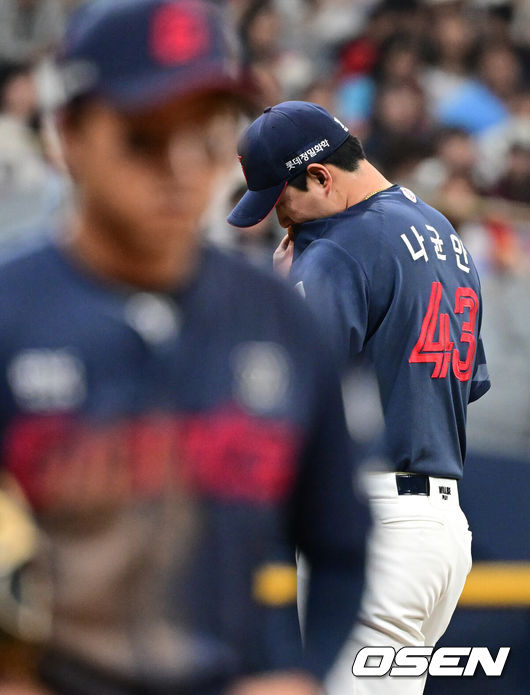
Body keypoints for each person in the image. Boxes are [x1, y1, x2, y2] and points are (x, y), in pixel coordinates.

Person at [0, 9, 369, 695]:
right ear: (69, 135)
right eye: (144, 138)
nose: (180, 168)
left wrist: (302, 674)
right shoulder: (11, 311)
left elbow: (342, 547)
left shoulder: (278, 317)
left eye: (202, 136)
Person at [228, 100, 491, 695]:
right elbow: (465, 382)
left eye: (281, 201)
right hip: (442, 532)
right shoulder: (443, 232)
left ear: (320, 177)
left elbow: (284, 389)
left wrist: (281, 293)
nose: (280, 220)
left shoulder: (338, 246)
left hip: (378, 529)